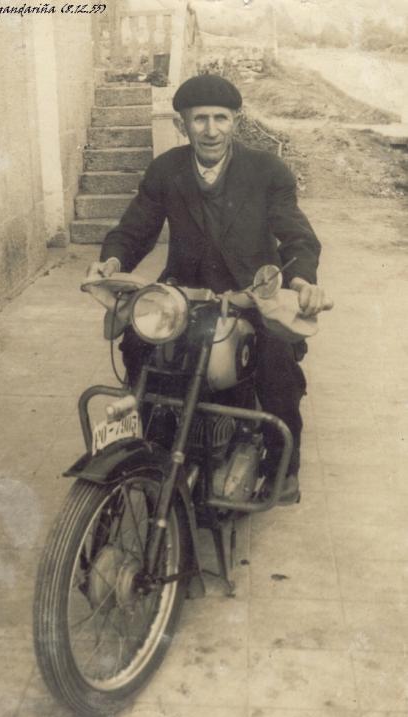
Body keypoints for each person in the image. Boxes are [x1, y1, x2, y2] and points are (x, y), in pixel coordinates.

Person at [90, 74, 329, 505]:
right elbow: (135, 228)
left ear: (235, 120)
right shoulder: (166, 169)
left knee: (277, 365)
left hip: (252, 294)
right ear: (182, 123)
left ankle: (282, 468)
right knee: (139, 347)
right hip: (186, 296)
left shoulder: (267, 171)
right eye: (200, 119)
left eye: (221, 118)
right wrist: (113, 261)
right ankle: (155, 445)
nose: (211, 130)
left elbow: (296, 234)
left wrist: (302, 281)